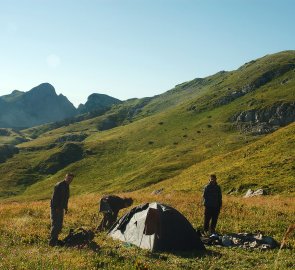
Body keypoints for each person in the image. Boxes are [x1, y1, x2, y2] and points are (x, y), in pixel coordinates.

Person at [49, 173, 74, 246]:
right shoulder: (59, 185)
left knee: (59, 225)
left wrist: (65, 208)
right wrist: (56, 207)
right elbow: (54, 197)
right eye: (69, 178)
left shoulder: (66, 186)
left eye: (71, 179)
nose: (70, 180)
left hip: (61, 208)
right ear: (65, 177)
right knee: (56, 225)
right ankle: (52, 242)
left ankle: (55, 240)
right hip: (56, 208)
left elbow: (65, 199)